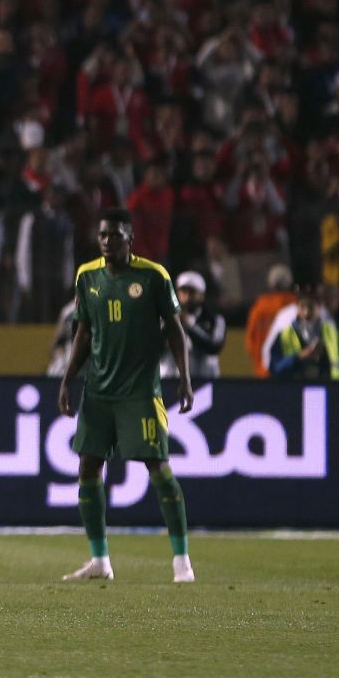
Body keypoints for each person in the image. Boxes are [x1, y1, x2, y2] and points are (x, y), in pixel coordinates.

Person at [57, 208, 196, 584]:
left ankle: (181, 560)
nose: (107, 242)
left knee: (159, 468)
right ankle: (100, 560)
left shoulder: (153, 276)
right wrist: (68, 378)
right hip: (98, 391)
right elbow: (83, 333)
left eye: (115, 235)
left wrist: (184, 378)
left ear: (130, 238)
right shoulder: (87, 277)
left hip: (139, 391)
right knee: (88, 467)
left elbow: (175, 330)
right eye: (102, 236)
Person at [263, 288, 339, 382]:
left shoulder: (332, 333)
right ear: (297, 308)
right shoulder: (284, 335)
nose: (306, 312)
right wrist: (299, 357)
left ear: (319, 307)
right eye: (302, 307)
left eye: (310, 307)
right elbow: (274, 368)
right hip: (295, 391)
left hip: (327, 389)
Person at [163, 272, 225, 384]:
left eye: (192, 292)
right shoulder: (164, 318)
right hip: (169, 383)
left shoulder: (214, 319)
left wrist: (190, 325)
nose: (187, 297)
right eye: (183, 291)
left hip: (205, 383)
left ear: (202, 295)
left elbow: (214, 346)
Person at [243, 265, 295, 379]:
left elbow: (250, 341)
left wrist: (259, 361)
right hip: (289, 372)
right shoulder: (294, 307)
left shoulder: (259, 308)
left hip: (263, 371)